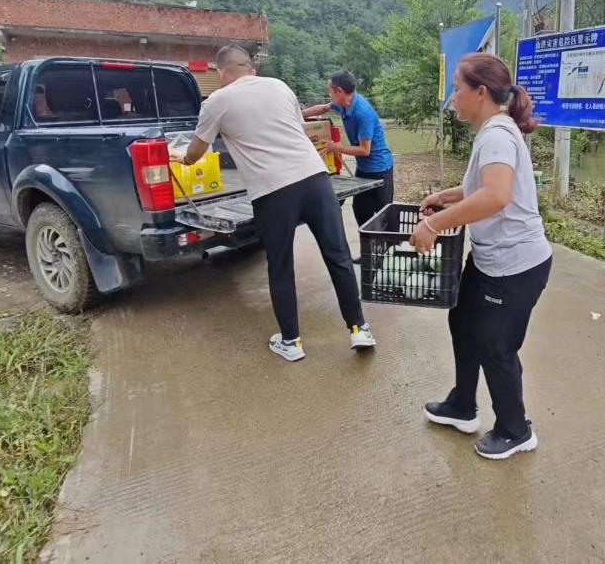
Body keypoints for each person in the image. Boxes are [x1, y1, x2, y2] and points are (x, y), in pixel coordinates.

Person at [175, 45, 376, 361]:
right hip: (315, 179)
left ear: (220, 72)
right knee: (338, 255)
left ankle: (291, 342)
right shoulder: (280, 86)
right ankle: (359, 328)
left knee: (281, 266)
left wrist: (183, 159)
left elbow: (197, 151)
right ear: (251, 68)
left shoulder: (216, 102)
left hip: (273, 191)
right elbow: (295, 128)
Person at [409, 53, 552, 460]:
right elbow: (482, 185)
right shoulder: (492, 131)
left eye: (457, 89)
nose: (452, 97)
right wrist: (445, 195)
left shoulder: (497, 135)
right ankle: (462, 405)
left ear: (481, 92)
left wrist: (433, 224)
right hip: (490, 258)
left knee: (495, 345)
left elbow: (496, 195)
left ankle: (515, 430)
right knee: (463, 321)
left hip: (515, 265)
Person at [302, 71, 394, 258]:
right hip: (363, 169)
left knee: (383, 215)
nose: (329, 95)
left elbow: (364, 150)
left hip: (380, 169)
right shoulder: (343, 104)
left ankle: (387, 256)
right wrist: (296, 115)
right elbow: (323, 108)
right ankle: (369, 255)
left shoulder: (362, 112)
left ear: (339, 91)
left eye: (330, 91)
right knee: (361, 211)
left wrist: (335, 147)